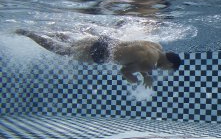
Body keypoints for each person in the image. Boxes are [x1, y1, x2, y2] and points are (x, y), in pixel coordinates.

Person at [15, 29, 182, 88]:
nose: (165, 70)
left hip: (107, 42)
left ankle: (41, 30)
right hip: (102, 54)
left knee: (70, 40)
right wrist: (135, 80)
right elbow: (124, 71)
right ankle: (30, 34)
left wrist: (146, 74)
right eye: (169, 69)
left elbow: (141, 58)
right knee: (65, 51)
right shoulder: (150, 65)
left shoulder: (157, 46)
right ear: (169, 63)